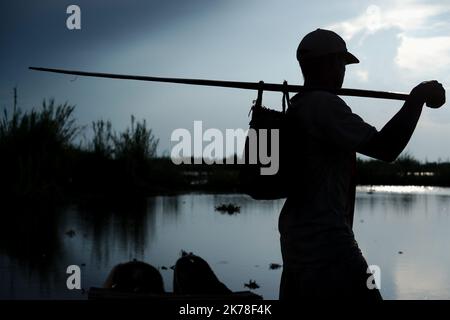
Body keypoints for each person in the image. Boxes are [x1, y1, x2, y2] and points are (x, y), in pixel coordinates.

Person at [279, 28, 445, 300]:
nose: (343, 72)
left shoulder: (299, 105)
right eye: (342, 64)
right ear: (330, 63)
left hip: (297, 239)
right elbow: (386, 148)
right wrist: (415, 100)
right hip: (328, 242)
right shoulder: (325, 105)